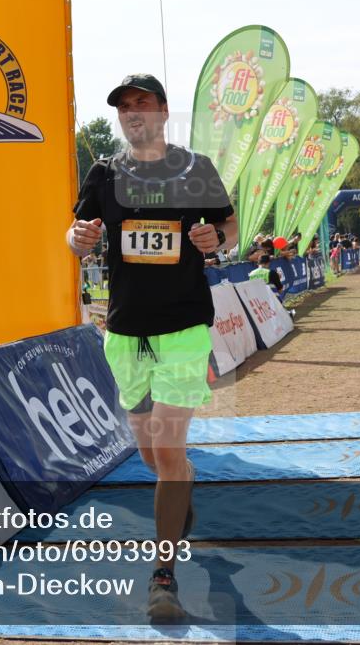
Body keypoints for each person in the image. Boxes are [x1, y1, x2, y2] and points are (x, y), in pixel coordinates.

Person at [66, 73, 237, 619]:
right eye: (125, 107)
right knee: (152, 457)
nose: (134, 113)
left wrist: (218, 240)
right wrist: (78, 240)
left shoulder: (195, 170)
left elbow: (228, 227)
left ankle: (163, 575)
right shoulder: (103, 174)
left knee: (165, 452)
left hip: (184, 328)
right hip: (125, 333)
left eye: (143, 103)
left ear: (164, 111)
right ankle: (182, 483)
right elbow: (74, 233)